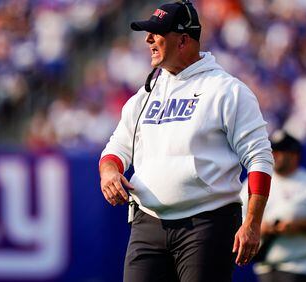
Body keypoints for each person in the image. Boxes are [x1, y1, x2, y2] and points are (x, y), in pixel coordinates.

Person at [98, 1, 274, 281]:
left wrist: (252, 223)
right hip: (148, 223)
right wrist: (109, 172)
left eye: (157, 33)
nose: (148, 40)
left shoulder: (226, 90)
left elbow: (259, 159)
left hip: (206, 223)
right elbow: (116, 149)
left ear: (183, 40)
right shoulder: (144, 96)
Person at [241, 131, 306, 282]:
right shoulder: (256, 182)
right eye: (272, 151)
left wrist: (299, 226)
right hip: (265, 267)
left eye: (280, 151)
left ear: (295, 155)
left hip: (301, 267)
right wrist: (261, 227)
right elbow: (239, 216)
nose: (274, 155)